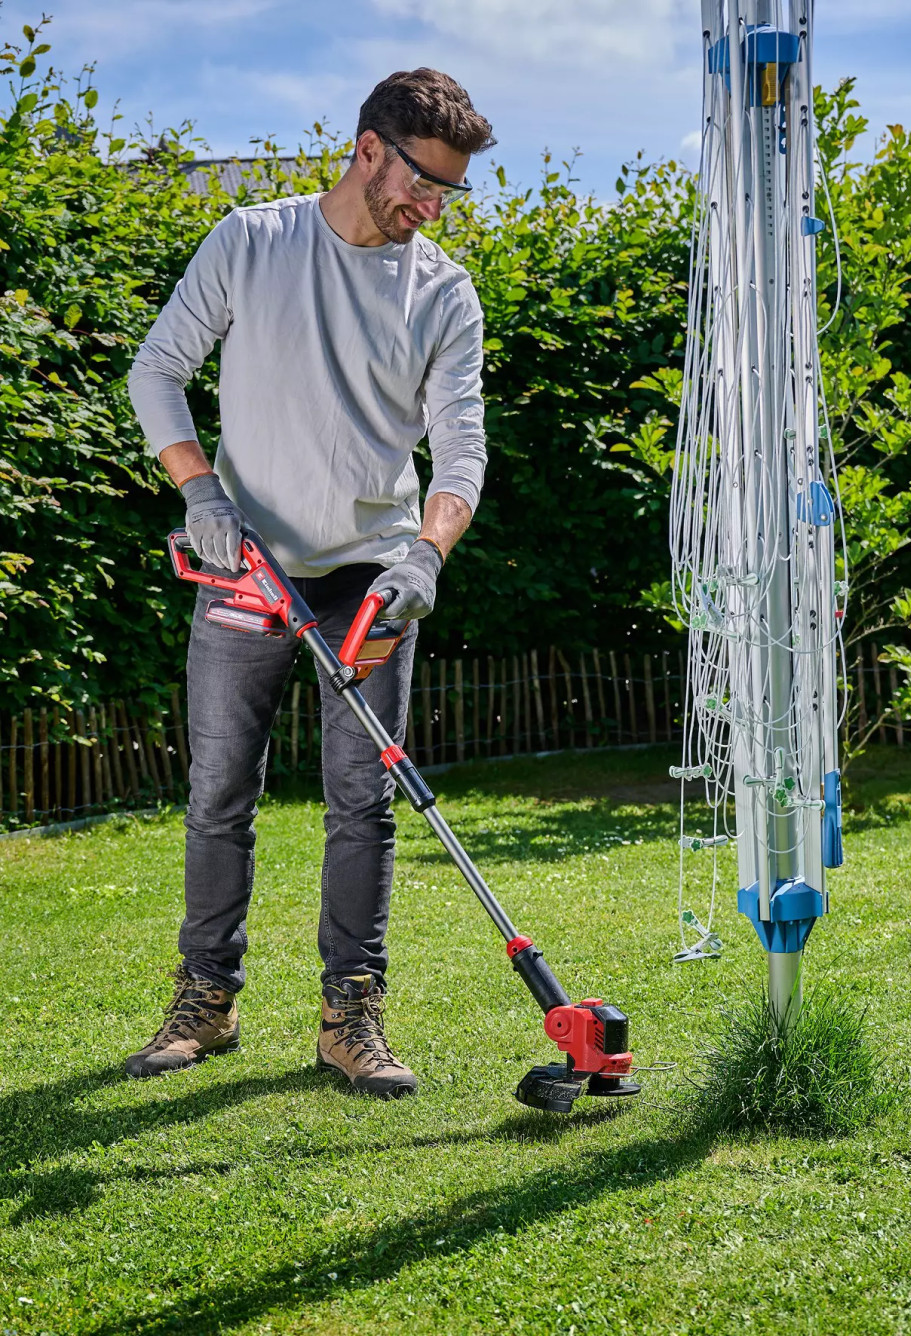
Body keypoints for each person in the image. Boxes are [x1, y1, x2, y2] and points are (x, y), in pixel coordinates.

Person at [125, 68, 494, 1097]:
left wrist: (426, 555)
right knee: (218, 793)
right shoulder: (252, 241)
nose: (433, 207)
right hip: (245, 567)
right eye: (423, 182)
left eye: (450, 191)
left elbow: (461, 452)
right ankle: (206, 998)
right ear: (369, 148)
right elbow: (157, 370)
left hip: (372, 578)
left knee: (362, 803)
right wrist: (201, 491)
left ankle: (351, 1015)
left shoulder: (442, 292)